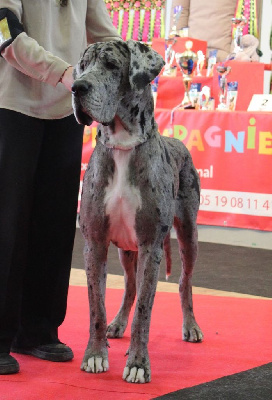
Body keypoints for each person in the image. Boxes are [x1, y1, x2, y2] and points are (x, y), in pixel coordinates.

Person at [0, 0, 121, 375]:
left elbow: (106, 36)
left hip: (66, 110)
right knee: (8, 224)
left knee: (54, 224)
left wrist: (133, 68)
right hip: (13, 105)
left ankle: (38, 329)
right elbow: (4, 31)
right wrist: (64, 72)